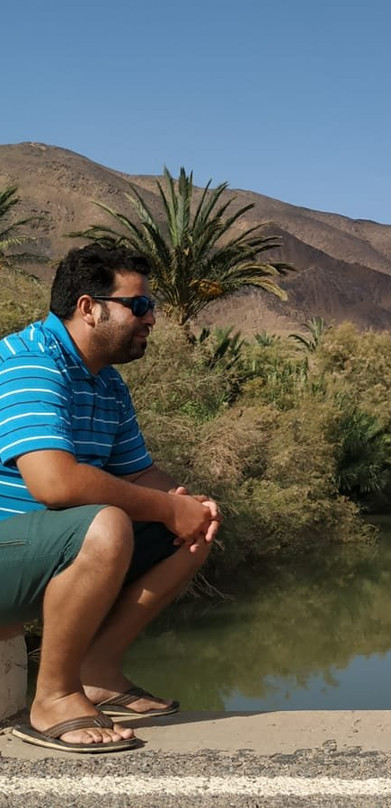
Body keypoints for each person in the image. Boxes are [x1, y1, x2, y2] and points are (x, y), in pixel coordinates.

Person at [0, 244, 220, 753]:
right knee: (107, 524)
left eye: (150, 306)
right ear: (89, 308)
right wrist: (167, 506)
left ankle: (96, 670)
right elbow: (55, 484)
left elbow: (138, 472)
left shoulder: (106, 383)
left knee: (193, 532)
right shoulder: (30, 363)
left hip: (37, 555)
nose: (151, 319)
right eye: (138, 306)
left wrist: (188, 506)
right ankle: (53, 699)